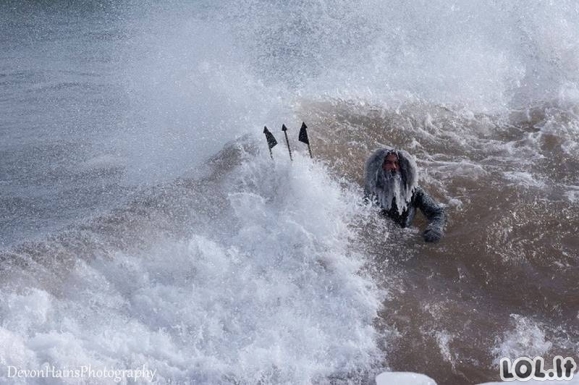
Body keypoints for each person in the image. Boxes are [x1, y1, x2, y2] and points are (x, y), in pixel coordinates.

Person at [363, 147, 446, 243]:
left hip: (405, 240)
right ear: (380, 165)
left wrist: (435, 228)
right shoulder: (370, 191)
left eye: (396, 163)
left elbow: (438, 212)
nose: (393, 167)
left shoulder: (412, 192)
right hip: (378, 241)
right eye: (388, 163)